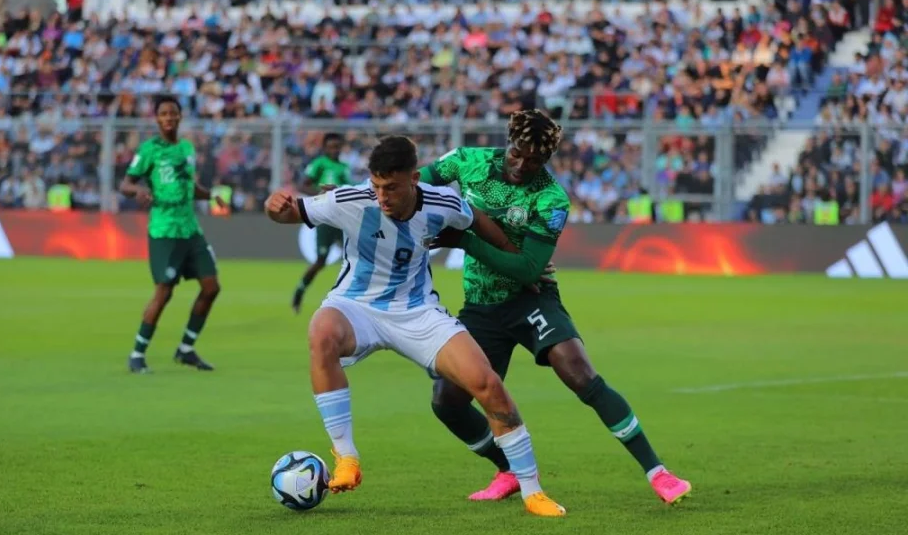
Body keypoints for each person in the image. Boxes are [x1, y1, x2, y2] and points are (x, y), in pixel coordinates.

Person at [264, 136, 567, 517]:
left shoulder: (443, 203)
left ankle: (533, 491)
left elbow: (477, 221)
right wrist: (274, 207)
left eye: (391, 187)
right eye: (376, 186)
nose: (382, 196)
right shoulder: (351, 200)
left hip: (418, 311)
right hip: (356, 306)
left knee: (487, 383)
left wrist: (517, 259)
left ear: (414, 178)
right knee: (321, 331)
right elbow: (291, 212)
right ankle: (346, 457)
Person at [422, 109, 692, 504]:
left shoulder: (551, 198)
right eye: (517, 153)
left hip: (530, 299)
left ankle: (659, 473)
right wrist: (355, 195)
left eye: (534, 160)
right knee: (446, 401)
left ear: (547, 159)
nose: (522, 164)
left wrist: (464, 240)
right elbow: (412, 183)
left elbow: (528, 270)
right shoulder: (467, 161)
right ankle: (508, 470)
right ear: (508, 142)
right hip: (481, 306)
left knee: (579, 371)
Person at [118, 96, 225, 374]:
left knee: (211, 287)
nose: (168, 117)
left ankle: (185, 350)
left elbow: (189, 185)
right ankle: (137, 354)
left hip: (190, 230)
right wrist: (138, 191)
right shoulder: (149, 150)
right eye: (163, 113)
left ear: (179, 117)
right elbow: (126, 184)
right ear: (157, 119)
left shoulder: (187, 148)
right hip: (164, 231)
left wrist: (211, 196)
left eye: (173, 113)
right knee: (164, 293)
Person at [292, 133, 354, 314]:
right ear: (325, 148)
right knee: (321, 261)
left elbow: (349, 189)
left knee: (354, 257)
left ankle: (350, 300)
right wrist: (320, 194)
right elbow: (303, 185)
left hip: (342, 219)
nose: (335, 150)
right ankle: (299, 291)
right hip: (325, 219)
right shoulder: (319, 163)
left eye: (337, 146)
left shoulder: (344, 167)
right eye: (331, 147)